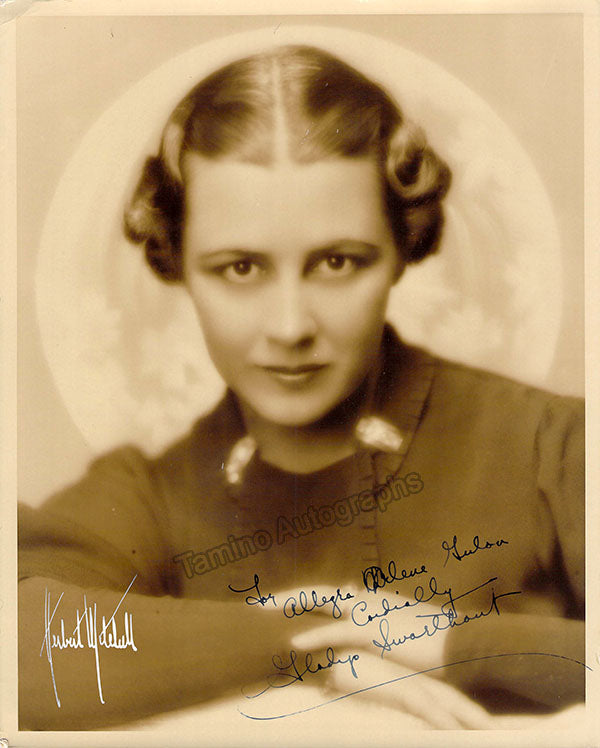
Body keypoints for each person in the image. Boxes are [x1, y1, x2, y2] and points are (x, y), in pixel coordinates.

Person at [18, 44, 584, 731]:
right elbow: (15, 646)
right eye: (240, 268)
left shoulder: (554, 448)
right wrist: (312, 651)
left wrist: (448, 644)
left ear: (400, 250)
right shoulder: (149, 498)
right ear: (179, 262)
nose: (290, 326)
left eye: (337, 262)